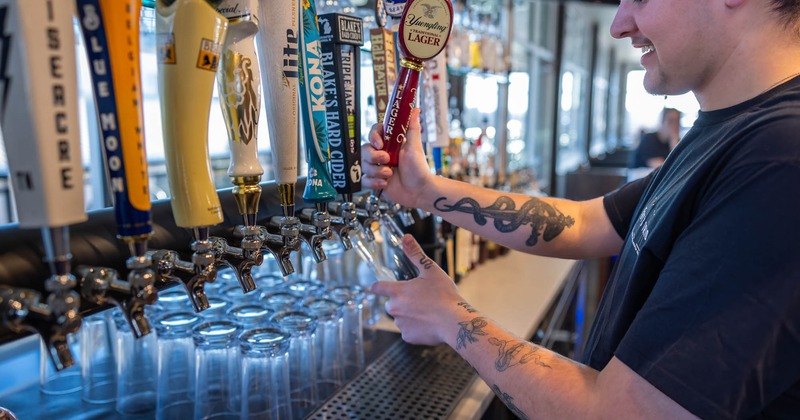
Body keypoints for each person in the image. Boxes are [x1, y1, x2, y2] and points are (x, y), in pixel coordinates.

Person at [361, 0, 800, 418]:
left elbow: (623, 414)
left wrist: (449, 318)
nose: (619, 24)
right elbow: (587, 222)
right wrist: (425, 190)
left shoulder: (780, 159)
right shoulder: (730, 129)